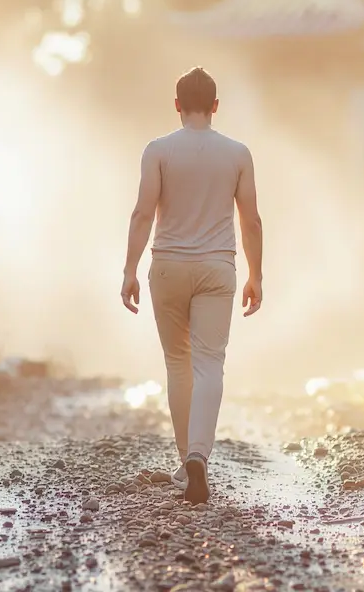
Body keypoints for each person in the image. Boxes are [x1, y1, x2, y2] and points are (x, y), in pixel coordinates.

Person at [119, 66, 264, 505]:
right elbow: (251, 220)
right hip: (217, 269)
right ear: (215, 106)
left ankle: (186, 462)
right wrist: (256, 274)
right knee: (209, 364)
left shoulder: (158, 151)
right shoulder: (237, 154)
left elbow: (143, 213)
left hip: (168, 267)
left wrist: (129, 269)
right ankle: (199, 456)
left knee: (177, 363)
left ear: (177, 105)